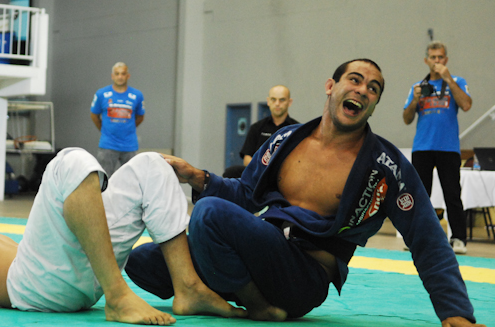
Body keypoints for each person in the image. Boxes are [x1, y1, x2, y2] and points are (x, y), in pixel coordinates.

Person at [126, 59, 484, 327]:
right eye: (355, 80)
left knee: (208, 215)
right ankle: (224, 289)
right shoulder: (285, 141)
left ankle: (257, 305)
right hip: (260, 253)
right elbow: (245, 194)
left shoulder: (385, 166)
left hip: (301, 277)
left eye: (372, 89)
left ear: (374, 105)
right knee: (143, 262)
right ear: (331, 86)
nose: (362, 90)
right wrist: (196, 176)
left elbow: (427, 237)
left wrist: (455, 312)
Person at [0, 148, 245, 324]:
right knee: (69, 163)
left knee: (150, 165)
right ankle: (118, 295)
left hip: (70, 268)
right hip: (35, 286)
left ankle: (188, 287)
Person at [403, 41, 472, 255]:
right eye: (433, 57)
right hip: (422, 146)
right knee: (420, 195)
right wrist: (414, 101)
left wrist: (448, 78)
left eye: (440, 57)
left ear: (446, 60)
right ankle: (416, 236)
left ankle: (458, 238)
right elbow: (406, 118)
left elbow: (467, 104)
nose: (437, 61)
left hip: (448, 147)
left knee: (452, 193)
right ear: (426, 61)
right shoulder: (418, 86)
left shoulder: (457, 81)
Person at [90, 62, 145, 177]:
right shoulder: (102, 94)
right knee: (103, 180)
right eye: (117, 74)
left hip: (129, 145)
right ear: (112, 76)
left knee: (132, 180)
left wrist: (128, 129)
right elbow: (94, 115)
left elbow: (140, 117)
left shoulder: (137, 95)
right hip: (108, 144)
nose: (120, 77)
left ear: (128, 76)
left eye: (123, 74)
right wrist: (105, 130)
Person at [241, 84, 298, 167]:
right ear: (268, 101)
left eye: (282, 100)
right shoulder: (256, 128)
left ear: (289, 102)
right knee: (232, 172)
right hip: (260, 176)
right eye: (273, 99)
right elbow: (247, 158)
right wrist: (262, 170)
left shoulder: (297, 130)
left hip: (286, 176)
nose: (277, 104)